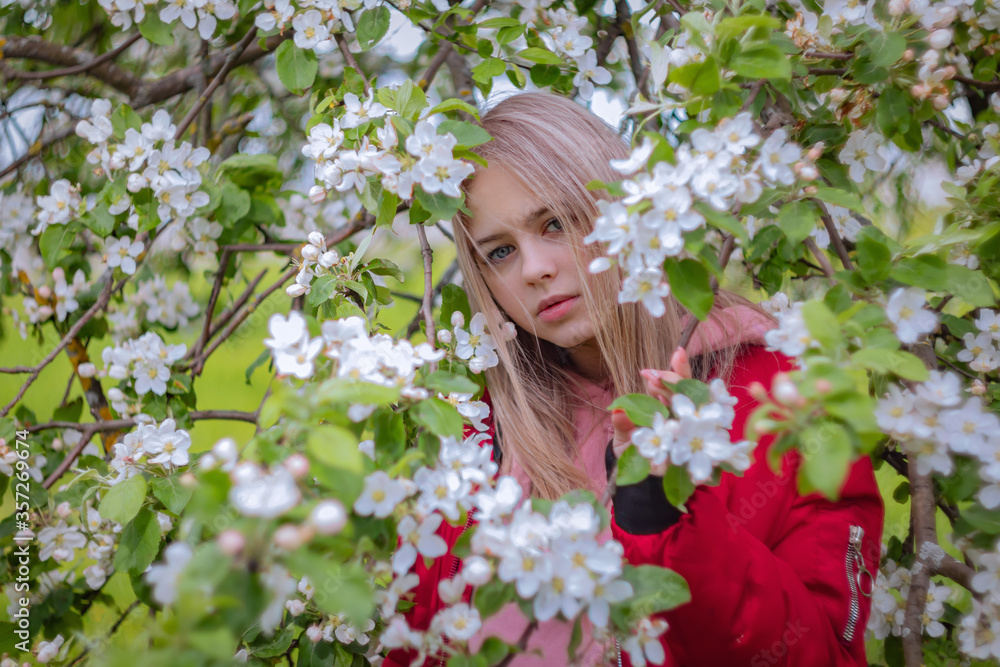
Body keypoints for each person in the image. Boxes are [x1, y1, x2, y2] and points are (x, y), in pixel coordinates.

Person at [382, 91, 884, 667]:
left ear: (626, 210)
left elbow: (820, 654)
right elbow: (416, 644)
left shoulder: (787, 399)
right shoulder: (474, 429)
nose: (535, 268)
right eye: (499, 252)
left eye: (556, 222)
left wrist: (665, 514)